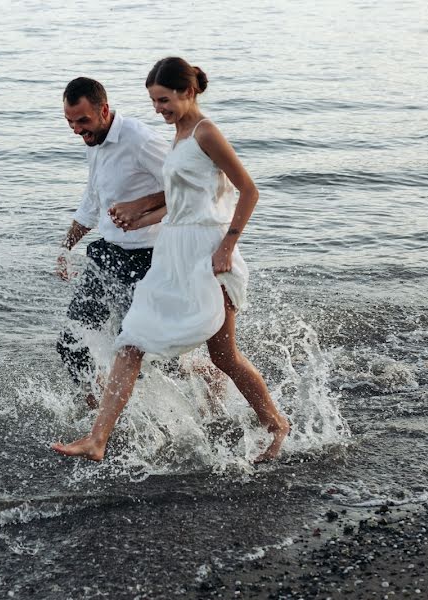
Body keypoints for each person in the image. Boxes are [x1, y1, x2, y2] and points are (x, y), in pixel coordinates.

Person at [53, 57, 290, 463]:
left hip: (206, 254)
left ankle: (276, 423)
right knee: (132, 340)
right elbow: (180, 203)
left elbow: (248, 191)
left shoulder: (204, 132)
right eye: (153, 101)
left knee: (224, 356)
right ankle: (98, 439)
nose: (157, 108)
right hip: (172, 252)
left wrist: (227, 247)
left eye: (163, 100)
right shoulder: (179, 135)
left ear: (188, 92)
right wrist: (139, 216)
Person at [56, 77, 169, 408]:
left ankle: (208, 382)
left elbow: (189, 188)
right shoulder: (95, 144)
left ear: (103, 110)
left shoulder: (141, 141)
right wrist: (65, 247)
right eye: (70, 122)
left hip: (148, 262)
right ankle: (100, 411)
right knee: (70, 343)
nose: (77, 130)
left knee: (148, 354)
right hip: (107, 258)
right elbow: (92, 201)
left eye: (83, 120)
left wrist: (141, 207)